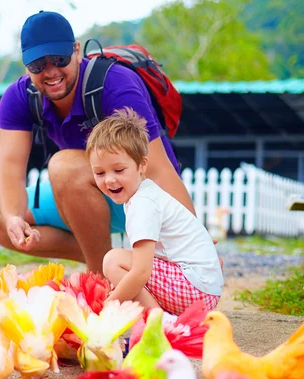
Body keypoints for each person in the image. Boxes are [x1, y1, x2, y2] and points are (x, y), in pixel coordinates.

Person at [0, 10, 194, 274]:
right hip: (87, 200)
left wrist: (193, 242)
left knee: (64, 166)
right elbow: (9, 173)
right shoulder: (18, 98)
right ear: (26, 66)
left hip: (140, 198)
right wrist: (13, 217)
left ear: (76, 50)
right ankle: (109, 260)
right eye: (38, 65)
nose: (50, 72)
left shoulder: (115, 83)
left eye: (59, 59)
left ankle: (100, 278)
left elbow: (158, 169)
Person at [86, 107, 223, 314]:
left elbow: (141, 272)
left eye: (119, 170)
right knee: (122, 276)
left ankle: (159, 322)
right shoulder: (145, 194)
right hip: (203, 287)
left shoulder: (143, 203)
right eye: (99, 173)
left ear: (142, 165)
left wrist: (106, 309)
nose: (110, 179)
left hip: (194, 289)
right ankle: (162, 316)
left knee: (114, 261)